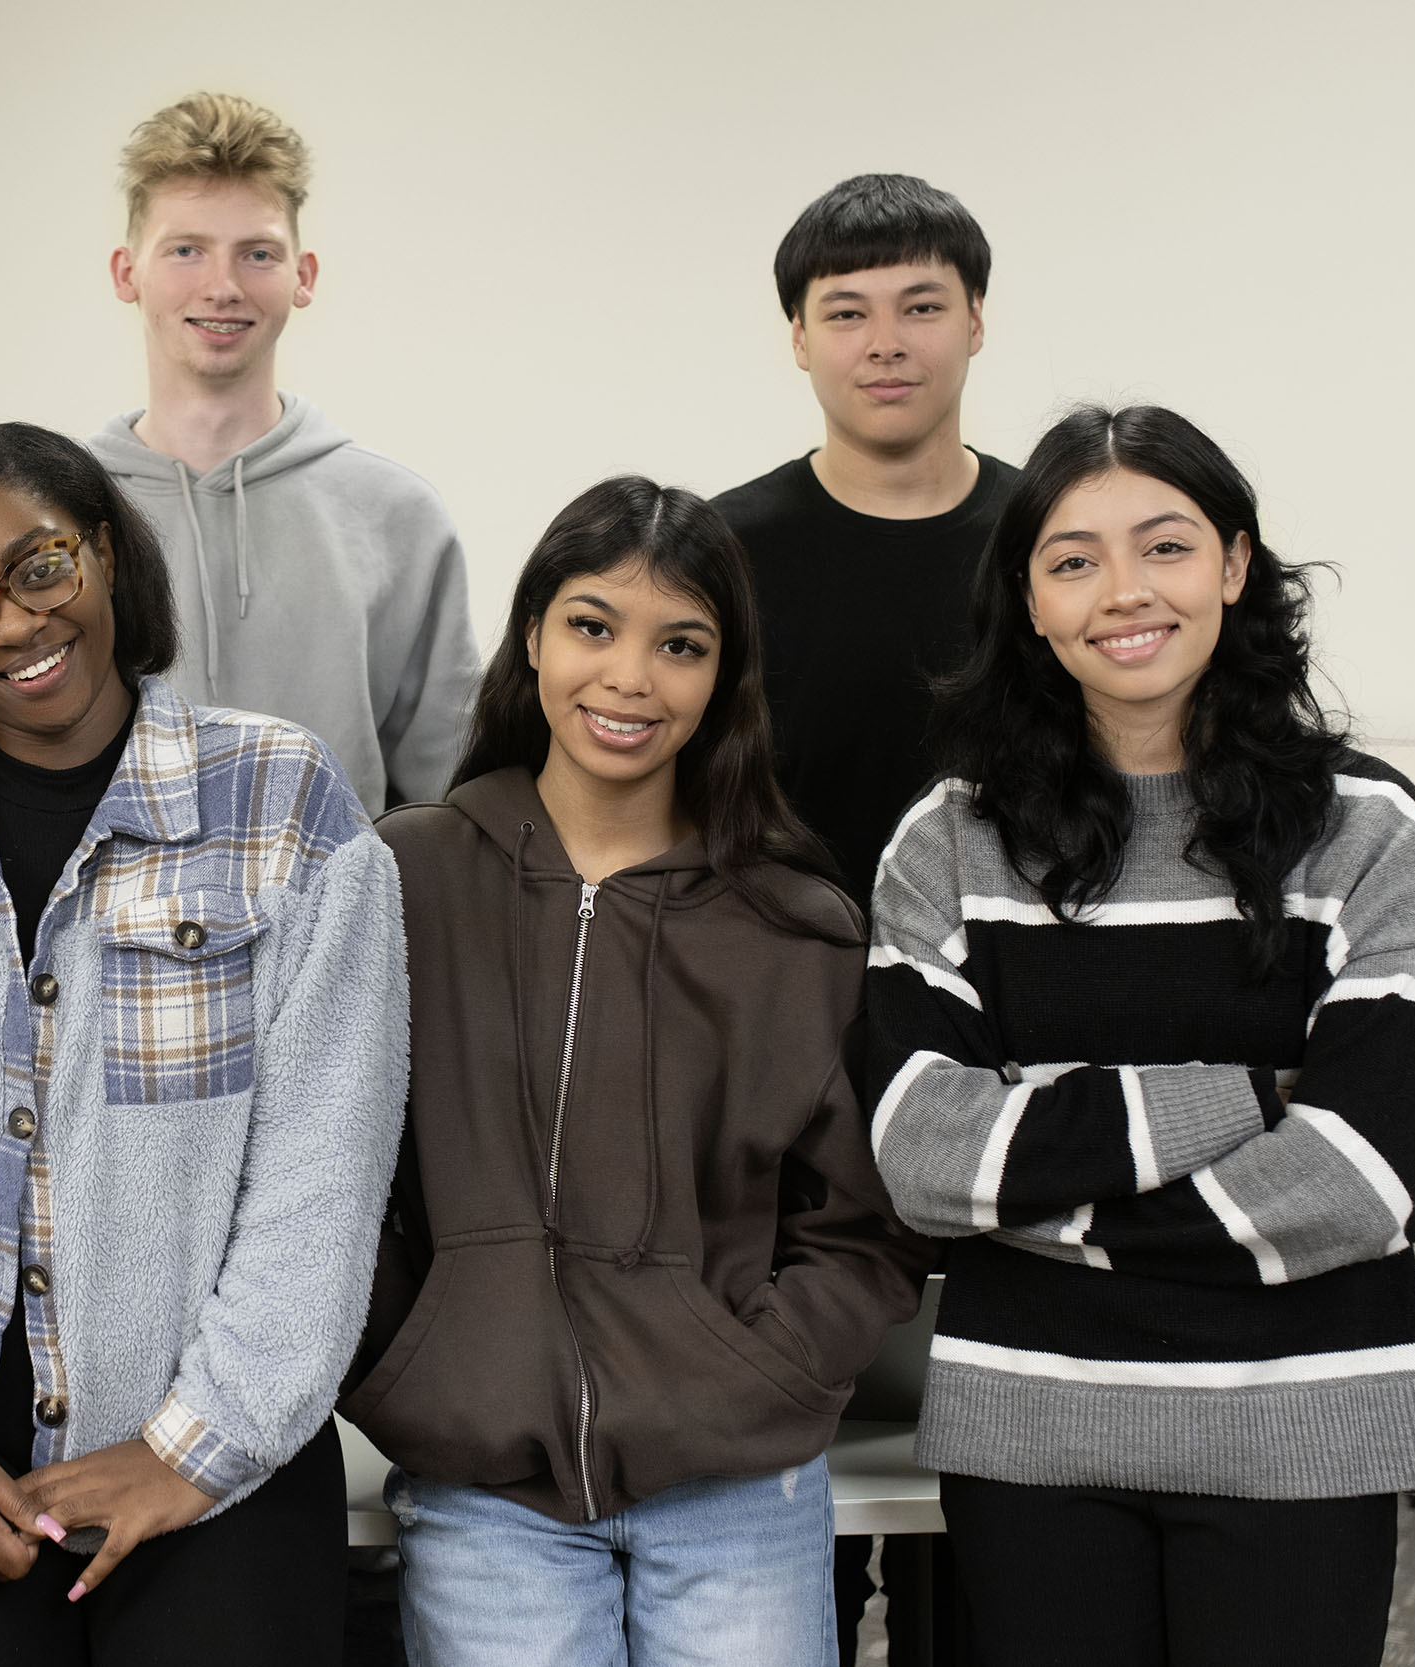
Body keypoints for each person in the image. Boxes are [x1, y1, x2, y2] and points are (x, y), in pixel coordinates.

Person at [0, 422, 409, 1665]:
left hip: (214, 1476)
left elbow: (324, 1169)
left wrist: (192, 1449)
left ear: (103, 552)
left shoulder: (282, 802)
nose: (12, 625)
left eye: (39, 568)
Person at [867, 405, 1415, 1665]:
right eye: (1072, 559)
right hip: (1033, 1427)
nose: (1123, 591)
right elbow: (925, 1161)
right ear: (1029, 600)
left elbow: (1362, 1178)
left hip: (1306, 1421)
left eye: (1165, 545)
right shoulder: (949, 841)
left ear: (1233, 565)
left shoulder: (1366, 829)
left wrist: (1041, 1184)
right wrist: (1253, 1095)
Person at [343, 477, 930, 1666]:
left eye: (680, 644)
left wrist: (760, 1366)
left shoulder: (797, 923)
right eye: (592, 625)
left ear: (723, 677)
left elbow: (860, 1224)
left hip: (735, 1481)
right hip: (484, 1481)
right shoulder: (404, 877)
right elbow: (331, 1166)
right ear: (532, 636)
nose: (629, 677)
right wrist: (416, 1360)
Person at [84, 91, 480, 812]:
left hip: (343, 889)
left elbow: (452, 802)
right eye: (185, 250)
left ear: (304, 276)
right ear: (125, 272)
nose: (223, 286)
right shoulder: (56, 515)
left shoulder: (397, 516)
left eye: (258, 254)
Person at [713, 173, 1017, 898]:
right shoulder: (720, 548)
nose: (886, 345)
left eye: (922, 308)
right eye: (847, 314)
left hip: (1012, 949)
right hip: (775, 944)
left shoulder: (1054, 539)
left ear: (975, 321)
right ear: (799, 337)